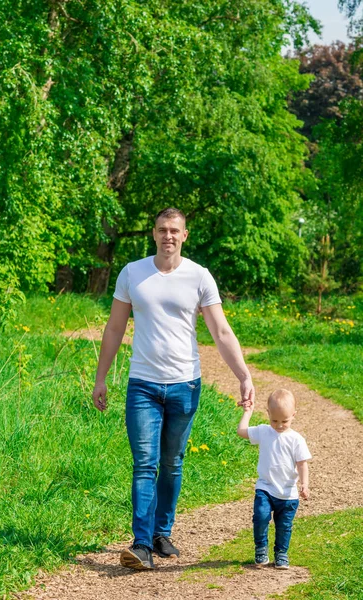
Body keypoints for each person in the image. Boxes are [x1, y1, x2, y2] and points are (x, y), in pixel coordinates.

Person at [92, 207, 255, 571]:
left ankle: (162, 532)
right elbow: (115, 328)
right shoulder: (133, 273)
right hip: (143, 386)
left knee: (172, 463)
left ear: (184, 235)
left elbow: (221, 332)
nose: (168, 235)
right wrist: (101, 377)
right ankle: (142, 543)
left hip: (185, 385)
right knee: (145, 464)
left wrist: (243, 375)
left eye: (175, 230)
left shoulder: (199, 276)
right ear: (153, 233)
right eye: (162, 229)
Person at [237, 388, 311, 569]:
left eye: (284, 421)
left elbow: (302, 464)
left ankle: (281, 553)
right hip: (266, 487)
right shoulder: (263, 431)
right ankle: (261, 548)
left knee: (284, 526)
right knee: (261, 517)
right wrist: (248, 412)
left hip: (288, 493)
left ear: (294, 415)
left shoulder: (296, 439)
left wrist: (304, 484)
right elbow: (242, 431)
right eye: (274, 420)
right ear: (268, 413)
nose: (279, 425)